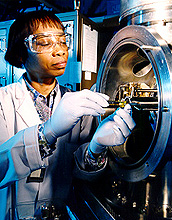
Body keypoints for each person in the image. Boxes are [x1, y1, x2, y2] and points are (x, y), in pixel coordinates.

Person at [0, 10, 135, 220]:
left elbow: (80, 173)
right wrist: (47, 132)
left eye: (63, 41)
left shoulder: (77, 102)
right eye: (44, 43)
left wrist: (94, 150)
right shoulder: (3, 101)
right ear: (20, 54)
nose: (60, 51)